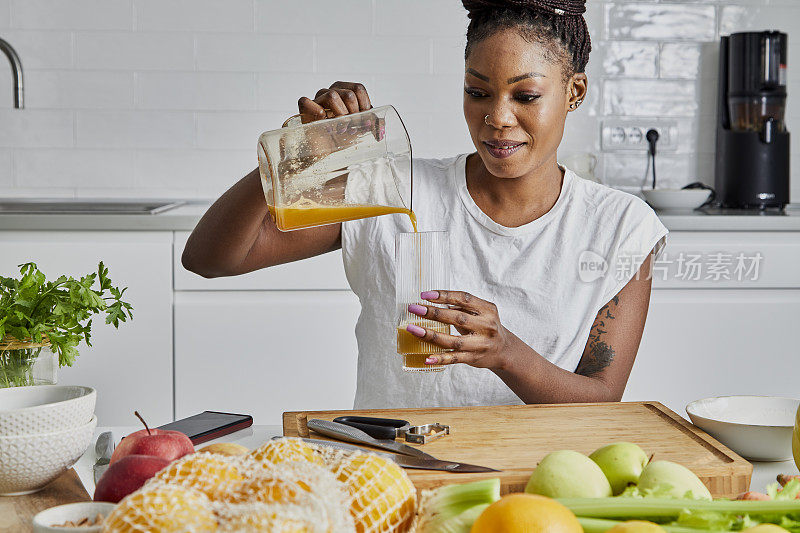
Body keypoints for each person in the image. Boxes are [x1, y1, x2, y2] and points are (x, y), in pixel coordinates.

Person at [182, 0, 668, 409]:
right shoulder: (392, 189)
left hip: (534, 485)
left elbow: (603, 398)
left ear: (574, 92)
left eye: (526, 95)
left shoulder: (619, 227)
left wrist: (505, 354)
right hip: (390, 471)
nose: (497, 118)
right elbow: (211, 259)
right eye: (477, 92)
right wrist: (290, 160)